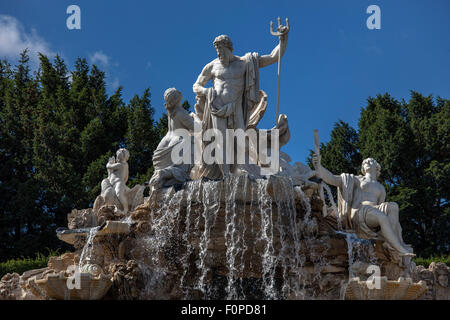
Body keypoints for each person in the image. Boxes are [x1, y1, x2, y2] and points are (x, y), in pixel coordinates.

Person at [192, 30, 289, 179]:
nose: (220, 55)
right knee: (220, 139)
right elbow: (196, 86)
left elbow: (273, 57)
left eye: (222, 51)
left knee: (240, 139)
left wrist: (283, 39)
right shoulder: (212, 66)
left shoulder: (245, 63)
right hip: (216, 107)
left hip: (236, 106)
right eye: (217, 52)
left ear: (229, 49)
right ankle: (225, 174)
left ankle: (237, 170)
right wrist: (206, 92)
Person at [312, 155, 414, 257]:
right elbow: (332, 178)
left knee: (393, 206)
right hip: (360, 211)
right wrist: (319, 166)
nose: (367, 163)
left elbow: (381, 204)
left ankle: (389, 241)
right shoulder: (356, 180)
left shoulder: (381, 187)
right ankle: (399, 248)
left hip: (374, 211)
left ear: (376, 167)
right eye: (364, 163)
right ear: (363, 169)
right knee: (381, 216)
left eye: (370, 162)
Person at [149, 88, 196, 191]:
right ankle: (167, 174)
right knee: (193, 143)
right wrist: (196, 118)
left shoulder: (171, 112)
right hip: (177, 140)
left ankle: (161, 180)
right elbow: (197, 128)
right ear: (177, 98)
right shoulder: (180, 112)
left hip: (164, 142)